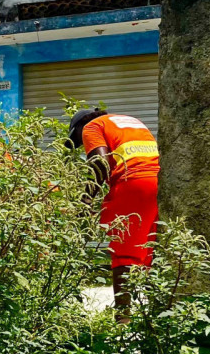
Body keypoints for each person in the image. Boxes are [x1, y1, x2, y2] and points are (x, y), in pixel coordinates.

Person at [67, 108, 160, 322]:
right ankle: (155, 318)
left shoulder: (93, 126)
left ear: (83, 124)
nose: (82, 145)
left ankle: (122, 320)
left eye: (79, 139)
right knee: (149, 251)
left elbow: (99, 162)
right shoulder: (131, 120)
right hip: (159, 182)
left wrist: (86, 200)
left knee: (122, 252)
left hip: (132, 184)